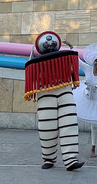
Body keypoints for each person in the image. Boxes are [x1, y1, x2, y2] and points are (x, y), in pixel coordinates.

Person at [24, 31, 85, 171]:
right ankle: (48, 159)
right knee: (47, 127)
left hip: (65, 91)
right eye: (47, 44)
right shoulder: (35, 64)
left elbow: (74, 66)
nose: (50, 45)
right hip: (46, 94)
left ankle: (70, 160)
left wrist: (72, 49)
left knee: (69, 125)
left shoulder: (66, 58)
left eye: (52, 44)